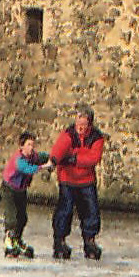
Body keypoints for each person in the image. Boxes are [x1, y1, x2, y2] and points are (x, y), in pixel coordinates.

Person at [49, 104, 106, 260]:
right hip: (67, 179)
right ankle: (59, 241)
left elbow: (93, 158)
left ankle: (89, 241)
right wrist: (53, 160)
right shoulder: (69, 134)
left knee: (90, 212)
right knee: (64, 211)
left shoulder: (96, 137)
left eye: (83, 125)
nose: (79, 128)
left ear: (90, 124)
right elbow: (60, 147)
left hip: (86, 181)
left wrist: (74, 159)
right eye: (78, 124)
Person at [0, 132, 54, 258]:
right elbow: (28, 169)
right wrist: (45, 166)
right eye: (28, 145)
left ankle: (17, 239)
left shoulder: (33, 156)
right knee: (12, 217)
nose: (31, 148)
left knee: (22, 218)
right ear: (21, 146)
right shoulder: (19, 160)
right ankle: (9, 241)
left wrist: (52, 158)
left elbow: (42, 156)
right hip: (9, 189)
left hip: (21, 190)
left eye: (32, 145)